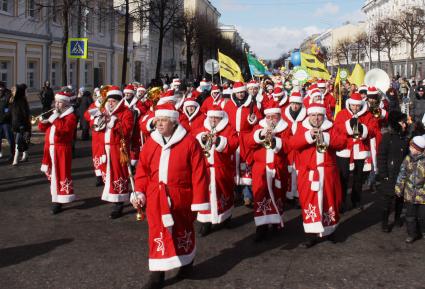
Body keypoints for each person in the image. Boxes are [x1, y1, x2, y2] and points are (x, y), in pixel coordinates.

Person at [131, 103, 210, 289]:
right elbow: (142, 170)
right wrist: (140, 191)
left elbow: (199, 173)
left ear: (173, 122)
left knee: (183, 230)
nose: (159, 124)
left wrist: (198, 201)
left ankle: (187, 262)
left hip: (180, 196)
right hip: (155, 197)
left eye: (164, 120)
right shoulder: (151, 142)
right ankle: (157, 274)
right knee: (157, 232)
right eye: (157, 120)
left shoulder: (189, 142)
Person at [290, 103, 347, 248]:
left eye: (319, 115)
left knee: (330, 202)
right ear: (309, 116)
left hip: (328, 173)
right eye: (313, 115)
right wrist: (308, 136)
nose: (316, 118)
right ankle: (311, 235)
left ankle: (330, 231)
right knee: (309, 203)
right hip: (309, 174)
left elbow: (342, 142)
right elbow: (293, 143)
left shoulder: (330, 127)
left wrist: (326, 137)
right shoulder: (302, 128)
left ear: (323, 116)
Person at [246, 100, 290, 241]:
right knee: (260, 196)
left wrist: (277, 141)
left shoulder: (285, 128)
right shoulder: (259, 127)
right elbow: (248, 142)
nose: (272, 120)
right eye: (269, 117)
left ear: (279, 116)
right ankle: (261, 227)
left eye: (275, 117)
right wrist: (260, 135)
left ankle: (276, 222)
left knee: (278, 195)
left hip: (278, 167)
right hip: (261, 168)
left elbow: (289, 146)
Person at [194, 105, 238, 236]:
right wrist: (202, 138)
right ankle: (205, 222)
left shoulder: (228, 128)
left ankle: (226, 217)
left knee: (225, 193)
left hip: (222, 168)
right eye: (211, 117)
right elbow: (193, 139)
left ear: (221, 117)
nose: (213, 120)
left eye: (216, 117)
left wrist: (218, 140)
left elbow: (234, 143)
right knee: (205, 195)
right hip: (206, 169)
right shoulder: (202, 128)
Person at [92, 86, 133, 219]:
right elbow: (97, 130)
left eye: (113, 101)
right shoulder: (104, 112)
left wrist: (114, 122)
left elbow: (126, 131)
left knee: (118, 173)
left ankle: (119, 202)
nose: (110, 103)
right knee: (108, 173)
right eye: (108, 101)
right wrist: (99, 121)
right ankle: (113, 196)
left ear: (119, 101)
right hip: (105, 148)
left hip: (118, 148)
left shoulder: (126, 112)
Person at [334, 92, 378, 212]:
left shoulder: (368, 115)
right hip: (345, 149)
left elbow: (374, 130)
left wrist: (363, 129)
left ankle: (356, 200)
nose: (355, 108)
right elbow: (336, 127)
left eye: (357, 106)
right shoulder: (342, 114)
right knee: (343, 177)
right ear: (349, 104)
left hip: (360, 150)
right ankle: (341, 202)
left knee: (358, 178)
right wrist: (348, 125)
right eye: (353, 105)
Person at [223, 81, 262, 207]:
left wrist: (254, 120)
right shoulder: (229, 105)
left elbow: (259, 120)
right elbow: (224, 121)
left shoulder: (251, 104)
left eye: (242, 92)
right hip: (232, 137)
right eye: (238, 92)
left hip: (246, 138)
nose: (240, 94)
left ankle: (247, 195)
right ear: (235, 93)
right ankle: (235, 194)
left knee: (246, 165)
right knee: (232, 166)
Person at [38, 91, 77, 214]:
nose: (57, 104)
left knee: (60, 173)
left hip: (62, 149)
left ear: (65, 104)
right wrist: (42, 121)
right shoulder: (55, 114)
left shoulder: (71, 116)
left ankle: (58, 200)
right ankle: (56, 196)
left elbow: (64, 130)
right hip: (49, 148)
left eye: (60, 102)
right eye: (56, 102)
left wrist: (54, 119)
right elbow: (42, 129)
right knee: (51, 174)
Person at [377, 111, 409, 232]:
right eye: (402, 122)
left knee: (400, 198)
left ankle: (397, 219)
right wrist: (383, 174)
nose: (404, 124)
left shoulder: (404, 137)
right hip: (389, 174)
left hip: (401, 174)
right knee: (387, 200)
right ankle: (384, 223)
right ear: (395, 123)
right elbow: (381, 156)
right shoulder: (387, 137)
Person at [395, 136, 425, 243]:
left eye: (412, 147)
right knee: (410, 215)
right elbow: (402, 174)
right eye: (410, 146)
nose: (410, 149)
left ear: (419, 149)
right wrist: (399, 187)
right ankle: (412, 234)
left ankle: (422, 230)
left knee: (422, 216)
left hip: (422, 195)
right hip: (409, 193)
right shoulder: (408, 159)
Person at [282, 91, 307, 202]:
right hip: (288, 148)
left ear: (301, 104)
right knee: (288, 171)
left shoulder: (306, 116)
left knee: (300, 172)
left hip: (301, 149)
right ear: (290, 103)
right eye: (293, 103)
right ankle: (288, 194)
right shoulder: (284, 115)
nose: (295, 106)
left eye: (297, 104)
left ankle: (298, 194)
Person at [9, 84, 31, 165]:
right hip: (15, 125)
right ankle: (26, 155)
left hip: (22, 125)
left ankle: (15, 159)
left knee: (18, 142)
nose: (12, 92)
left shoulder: (22, 101)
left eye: (14, 90)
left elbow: (24, 114)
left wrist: (22, 125)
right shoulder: (13, 100)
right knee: (22, 141)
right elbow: (11, 113)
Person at [0, 81, 15, 160]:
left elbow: (9, 108)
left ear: (3, 87)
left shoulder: (8, 94)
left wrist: (5, 116)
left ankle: (13, 154)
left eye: (1, 88)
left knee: (10, 138)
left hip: (6, 121)